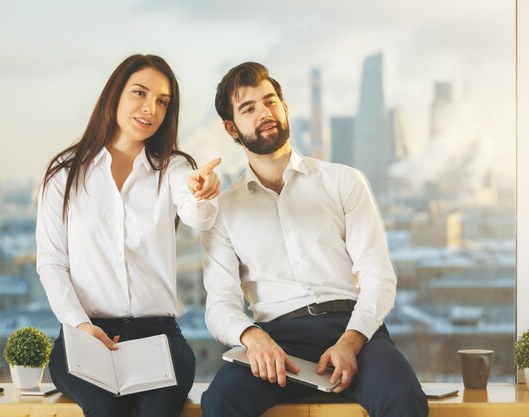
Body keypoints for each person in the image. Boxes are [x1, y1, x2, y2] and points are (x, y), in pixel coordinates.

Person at [200, 62, 428, 417]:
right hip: (276, 340)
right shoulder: (222, 209)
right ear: (231, 127)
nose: (265, 113)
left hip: (353, 328)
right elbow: (219, 304)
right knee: (218, 402)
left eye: (270, 101)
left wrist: (350, 342)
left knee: (403, 398)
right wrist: (252, 338)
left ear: (285, 107)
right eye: (249, 108)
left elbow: (378, 277)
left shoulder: (344, 182)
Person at [36, 54, 221, 417]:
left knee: (157, 411)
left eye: (162, 102)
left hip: (158, 337)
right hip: (86, 334)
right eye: (140, 93)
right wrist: (80, 325)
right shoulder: (65, 173)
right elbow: (52, 262)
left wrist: (202, 192)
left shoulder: (174, 168)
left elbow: (198, 217)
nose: (150, 108)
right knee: (105, 410)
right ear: (114, 95)